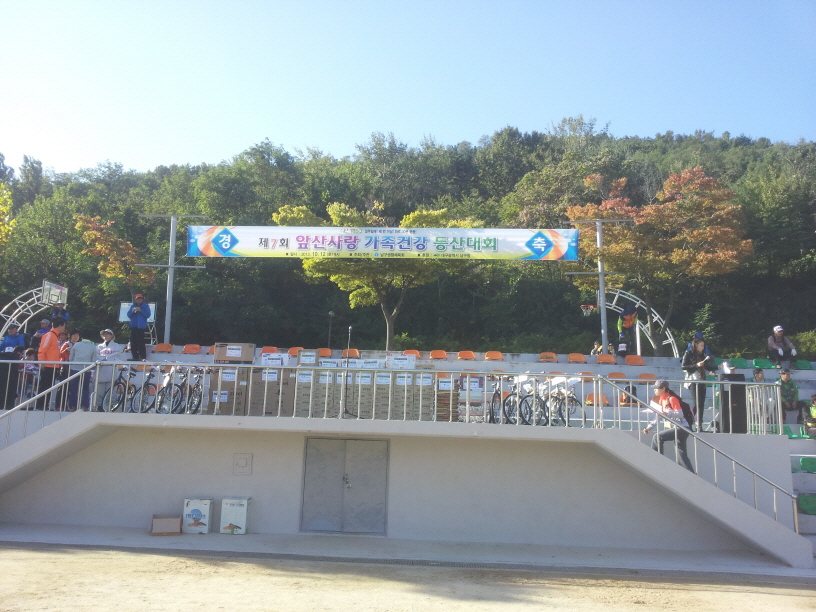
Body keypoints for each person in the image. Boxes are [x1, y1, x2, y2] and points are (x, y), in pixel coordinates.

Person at [643, 380, 694, 472]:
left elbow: (680, 414)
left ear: (663, 388)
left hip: (682, 428)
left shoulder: (672, 399)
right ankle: (691, 473)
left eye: (656, 388)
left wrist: (667, 412)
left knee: (657, 437)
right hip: (679, 428)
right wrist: (649, 427)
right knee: (681, 454)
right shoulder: (662, 400)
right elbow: (659, 416)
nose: (654, 390)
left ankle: (657, 461)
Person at [681, 336, 719, 432]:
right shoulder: (689, 353)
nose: (703, 347)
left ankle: (699, 425)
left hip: (702, 380)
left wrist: (718, 367)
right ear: (696, 345)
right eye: (701, 345)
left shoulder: (703, 355)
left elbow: (708, 367)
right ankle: (689, 422)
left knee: (701, 404)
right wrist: (696, 365)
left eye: (703, 346)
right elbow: (683, 366)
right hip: (693, 380)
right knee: (697, 403)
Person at [34, 317, 66, 410]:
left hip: (53, 366)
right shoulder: (49, 335)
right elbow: (42, 349)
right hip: (48, 366)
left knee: (48, 387)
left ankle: (45, 405)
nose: (64, 328)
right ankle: (40, 406)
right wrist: (41, 362)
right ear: (60, 326)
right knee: (44, 386)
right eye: (64, 326)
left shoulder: (55, 336)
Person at [95, 328, 125, 410]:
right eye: (104, 334)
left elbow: (118, 355)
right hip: (101, 370)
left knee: (111, 388)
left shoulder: (116, 346)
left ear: (112, 335)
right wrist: (103, 358)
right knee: (100, 389)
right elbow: (96, 355)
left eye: (107, 334)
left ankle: (109, 406)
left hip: (111, 370)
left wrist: (106, 358)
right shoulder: (99, 346)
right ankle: (99, 406)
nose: (105, 335)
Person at [67, 330, 96, 411]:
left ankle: (72, 406)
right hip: (86, 370)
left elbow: (71, 358)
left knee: (73, 388)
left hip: (74, 369)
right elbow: (94, 360)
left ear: (82, 336)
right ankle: (84, 406)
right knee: (85, 388)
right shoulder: (93, 346)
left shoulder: (76, 345)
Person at [126, 293, 151, 362]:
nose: (139, 300)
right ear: (135, 299)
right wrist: (133, 312)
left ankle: (142, 356)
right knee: (133, 342)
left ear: (142, 299)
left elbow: (148, 315)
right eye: (137, 299)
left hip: (141, 327)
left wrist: (140, 311)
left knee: (141, 342)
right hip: (133, 326)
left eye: (140, 298)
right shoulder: (133, 306)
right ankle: (134, 356)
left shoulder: (145, 306)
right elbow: (129, 315)